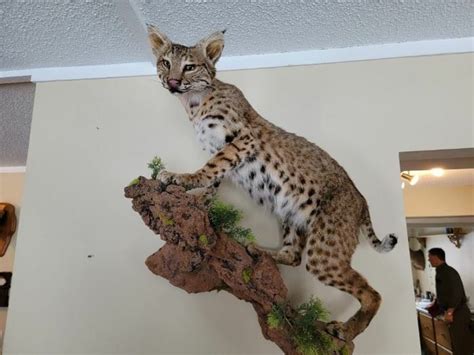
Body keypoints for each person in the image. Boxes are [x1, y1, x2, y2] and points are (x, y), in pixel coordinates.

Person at [427, 248, 473, 355]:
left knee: (462, 346)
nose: (429, 260)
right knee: (456, 345)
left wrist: (449, 312)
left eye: (430, 258)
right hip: (454, 312)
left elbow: (456, 293)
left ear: (436, 257)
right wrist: (435, 303)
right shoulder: (441, 271)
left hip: (458, 314)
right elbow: (444, 292)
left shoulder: (448, 272)